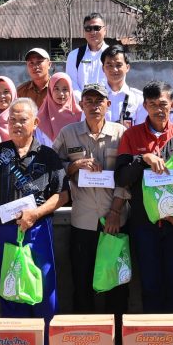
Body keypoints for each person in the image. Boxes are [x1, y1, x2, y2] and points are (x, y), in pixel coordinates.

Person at [115, 81, 173, 313]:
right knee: (150, 285)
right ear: (145, 106)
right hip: (144, 225)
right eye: (153, 104)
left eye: (163, 104)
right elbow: (121, 178)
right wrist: (142, 159)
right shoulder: (131, 136)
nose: (158, 109)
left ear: (172, 105)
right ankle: (152, 333)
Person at [0, 99, 67, 324]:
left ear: (35, 123)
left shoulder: (48, 155)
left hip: (37, 230)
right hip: (4, 230)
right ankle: (17, 338)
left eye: (22, 120)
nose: (16, 124)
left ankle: (45, 339)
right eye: (12, 119)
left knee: (42, 284)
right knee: (10, 286)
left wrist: (36, 214)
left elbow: (62, 195)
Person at [53, 83, 129, 315]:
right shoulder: (68, 133)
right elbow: (52, 166)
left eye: (99, 101)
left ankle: (116, 332)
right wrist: (74, 165)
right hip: (83, 220)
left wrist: (115, 211)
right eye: (89, 101)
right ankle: (85, 332)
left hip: (114, 220)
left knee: (116, 282)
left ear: (108, 104)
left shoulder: (121, 133)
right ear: (81, 105)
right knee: (82, 281)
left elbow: (128, 176)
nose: (94, 106)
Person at [100, 44, 143, 127]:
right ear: (103, 68)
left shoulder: (139, 99)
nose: (114, 69)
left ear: (127, 67)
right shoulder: (94, 98)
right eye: (109, 65)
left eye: (118, 65)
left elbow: (142, 130)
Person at [65, 12, 109, 91]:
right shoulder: (74, 56)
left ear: (105, 30)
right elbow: (72, 83)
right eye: (88, 29)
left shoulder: (113, 55)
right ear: (84, 31)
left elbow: (117, 82)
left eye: (97, 28)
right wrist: (83, 99)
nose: (92, 32)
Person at [37, 73, 82, 143]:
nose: (61, 93)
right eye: (56, 89)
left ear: (70, 91)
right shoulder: (41, 118)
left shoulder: (80, 115)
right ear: (50, 90)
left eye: (65, 89)